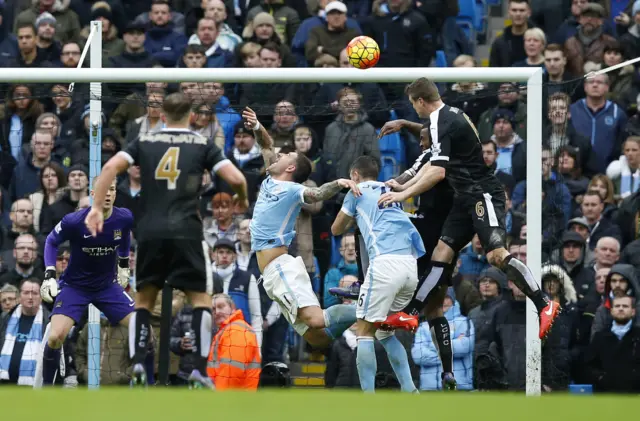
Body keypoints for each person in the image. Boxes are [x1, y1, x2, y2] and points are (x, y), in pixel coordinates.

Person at [378, 77, 560, 389]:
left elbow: (436, 170)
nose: (415, 110)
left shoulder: (440, 123)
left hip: (482, 195)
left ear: (421, 101)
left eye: (413, 105)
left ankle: (544, 302)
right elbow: (436, 143)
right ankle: (410, 313)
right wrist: (406, 124)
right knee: (441, 253)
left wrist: (402, 193)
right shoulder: (451, 115)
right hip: (464, 200)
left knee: (497, 255)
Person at [85, 93, 249, 389]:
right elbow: (236, 177)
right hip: (187, 231)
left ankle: (136, 363)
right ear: (191, 117)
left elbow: (109, 169)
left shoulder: (145, 141)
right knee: (200, 299)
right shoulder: (202, 144)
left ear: (162, 116)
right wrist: (242, 198)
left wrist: (96, 208)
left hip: (150, 231)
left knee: (143, 301)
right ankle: (199, 369)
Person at [242, 106, 359, 349]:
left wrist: (338, 182)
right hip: (270, 275)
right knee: (316, 338)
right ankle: (364, 311)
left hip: (281, 266)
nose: (277, 155)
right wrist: (255, 125)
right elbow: (265, 143)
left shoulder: (293, 190)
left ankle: (371, 310)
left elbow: (316, 194)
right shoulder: (270, 179)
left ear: (291, 168)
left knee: (315, 320)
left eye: (284, 156)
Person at [331, 155, 422, 393]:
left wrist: (353, 211)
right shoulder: (389, 189)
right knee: (383, 331)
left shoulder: (356, 191)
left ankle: (368, 398)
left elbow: (336, 229)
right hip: (410, 267)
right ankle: (410, 390)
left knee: (364, 331)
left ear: (354, 175)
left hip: (385, 265)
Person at [39, 178, 134, 386]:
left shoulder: (124, 217)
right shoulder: (74, 221)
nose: (107, 194)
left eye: (112, 190)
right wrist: (49, 274)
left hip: (107, 286)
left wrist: (124, 263)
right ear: (93, 193)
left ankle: (149, 391)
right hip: (75, 287)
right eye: (103, 190)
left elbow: (125, 236)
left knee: (142, 330)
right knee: (55, 337)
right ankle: (47, 391)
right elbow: (51, 241)